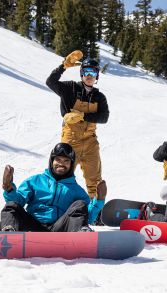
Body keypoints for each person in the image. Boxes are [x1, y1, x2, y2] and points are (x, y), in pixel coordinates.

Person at [46, 50, 109, 205]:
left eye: (93, 72)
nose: (89, 75)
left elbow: (104, 117)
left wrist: (83, 116)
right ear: (81, 73)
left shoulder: (99, 97)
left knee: (94, 179)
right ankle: (55, 205)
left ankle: (96, 211)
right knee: (61, 174)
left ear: (97, 76)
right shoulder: (70, 88)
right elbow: (50, 82)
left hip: (90, 142)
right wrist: (63, 66)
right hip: (70, 141)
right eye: (86, 71)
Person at [0, 143, 106, 232]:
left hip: (60, 228)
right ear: (52, 161)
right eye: (58, 159)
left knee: (79, 204)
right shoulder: (35, 181)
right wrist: (9, 188)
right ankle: (9, 234)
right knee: (11, 206)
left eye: (66, 161)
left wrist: (99, 200)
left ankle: (81, 235)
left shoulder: (76, 190)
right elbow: (18, 202)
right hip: (33, 226)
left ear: (71, 164)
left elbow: (88, 217)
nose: (61, 164)